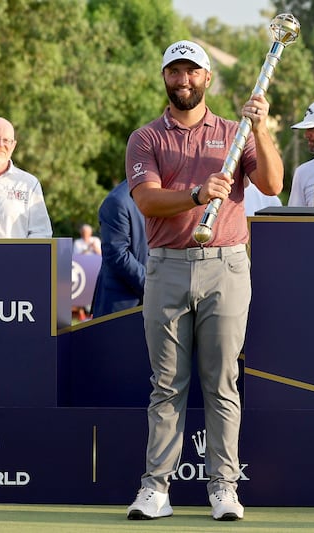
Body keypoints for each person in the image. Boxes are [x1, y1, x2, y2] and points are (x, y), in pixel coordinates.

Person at [124, 40, 283, 521]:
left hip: (227, 265)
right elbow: (147, 201)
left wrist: (263, 128)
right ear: (165, 77)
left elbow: (274, 185)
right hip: (168, 264)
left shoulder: (237, 133)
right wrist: (195, 194)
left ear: (207, 78)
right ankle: (155, 488)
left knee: (222, 382)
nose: (183, 80)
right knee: (167, 384)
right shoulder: (146, 137)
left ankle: (224, 487)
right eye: (175, 71)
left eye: (192, 72)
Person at [90, 180, 148, 317]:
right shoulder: (117, 201)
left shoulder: (170, 195)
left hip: (158, 305)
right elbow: (117, 254)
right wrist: (155, 287)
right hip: (122, 307)